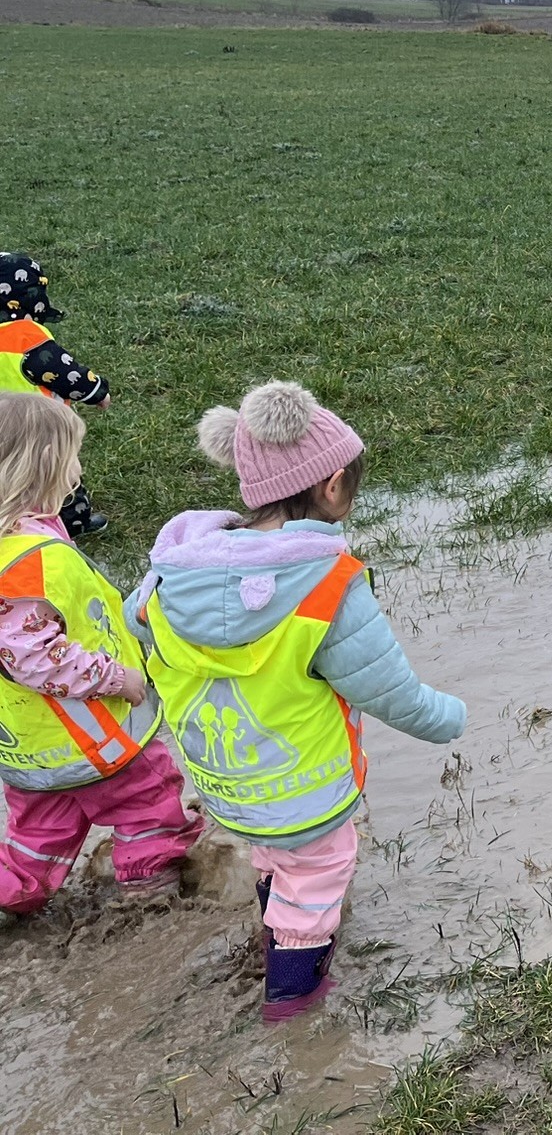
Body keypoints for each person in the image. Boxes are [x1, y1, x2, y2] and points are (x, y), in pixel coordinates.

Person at [131, 381, 466, 1019]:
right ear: (333, 485)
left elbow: (137, 631)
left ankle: (273, 928)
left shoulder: (173, 573)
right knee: (315, 882)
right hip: (304, 787)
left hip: (224, 781)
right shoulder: (328, 585)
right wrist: (448, 716)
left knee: (274, 854)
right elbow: (386, 688)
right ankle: (292, 1002)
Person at [0, 395, 201, 921]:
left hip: (30, 755)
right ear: (43, 465)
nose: (79, 469)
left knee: (33, 846)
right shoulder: (28, 563)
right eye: (73, 456)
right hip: (96, 741)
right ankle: (147, 903)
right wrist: (117, 678)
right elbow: (33, 659)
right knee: (151, 809)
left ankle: (13, 897)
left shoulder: (24, 541)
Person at [0, 253, 112, 536]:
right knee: (56, 473)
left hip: (3, 427)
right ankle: (74, 521)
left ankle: (10, 520)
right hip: (38, 426)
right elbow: (63, 371)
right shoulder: (25, 337)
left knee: (8, 476)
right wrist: (96, 391)